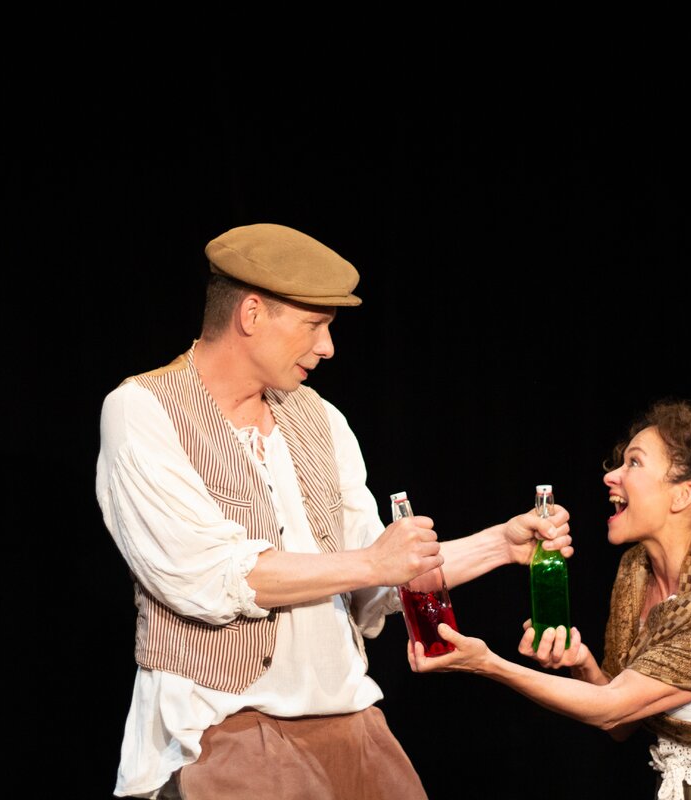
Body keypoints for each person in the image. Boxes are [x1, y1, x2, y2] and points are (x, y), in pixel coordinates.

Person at [94, 222, 572, 799]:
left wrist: (499, 544)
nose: (328, 347)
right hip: (229, 725)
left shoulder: (320, 418)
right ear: (251, 314)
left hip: (351, 716)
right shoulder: (144, 410)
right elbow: (209, 576)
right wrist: (374, 563)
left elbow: (377, 573)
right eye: (314, 325)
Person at [408, 398, 691, 799]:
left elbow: (612, 710)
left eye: (634, 463)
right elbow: (624, 723)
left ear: (683, 495)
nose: (611, 475)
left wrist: (486, 664)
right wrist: (583, 662)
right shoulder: (636, 570)